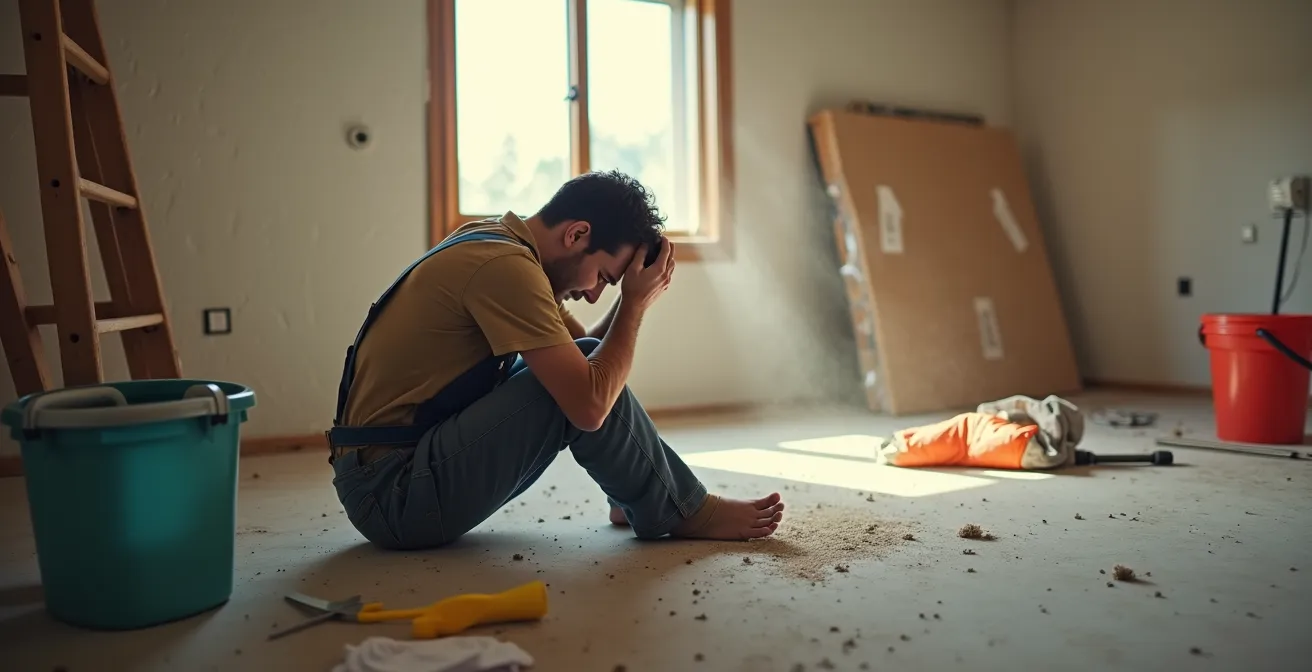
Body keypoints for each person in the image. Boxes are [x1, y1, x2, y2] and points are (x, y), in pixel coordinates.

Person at [326, 170, 785, 550]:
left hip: (384, 478)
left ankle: (634, 497)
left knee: (580, 368)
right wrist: (633, 307)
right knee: (582, 390)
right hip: (395, 497)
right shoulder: (505, 269)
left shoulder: (499, 243)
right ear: (577, 234)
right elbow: (587, 405)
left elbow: (585, 350)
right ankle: (684, 510)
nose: (592, 294)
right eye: (602, 276)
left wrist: (632, 300)